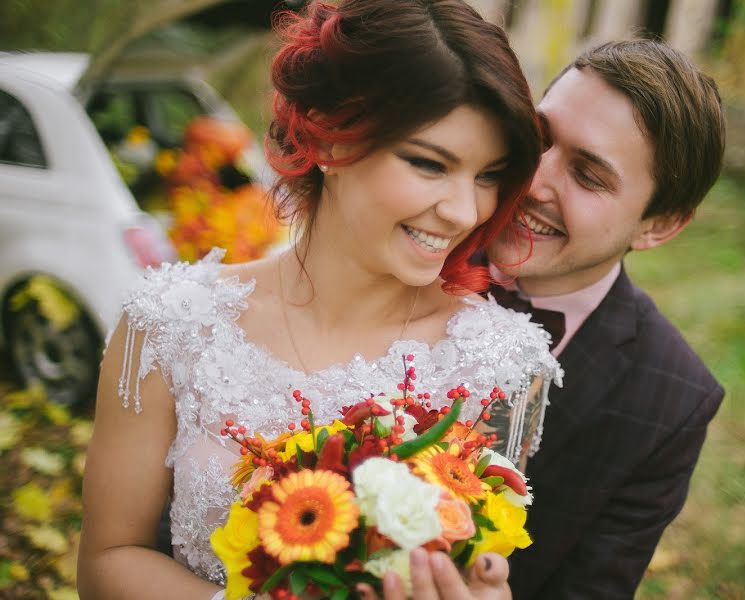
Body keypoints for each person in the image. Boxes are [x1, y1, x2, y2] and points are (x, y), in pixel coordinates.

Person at [76, 2, 561, 599]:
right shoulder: (172, 323)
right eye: (429, 164)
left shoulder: (502, 365)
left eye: (490, 175)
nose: (466, 211)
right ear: (330, 140)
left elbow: (473, 568)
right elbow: (107, 562)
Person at [486, 40, 728, 598]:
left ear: (658, 225)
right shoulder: (412, 251)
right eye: (541, 138)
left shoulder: (671, 402)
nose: (534, 180)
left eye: (589, 175)